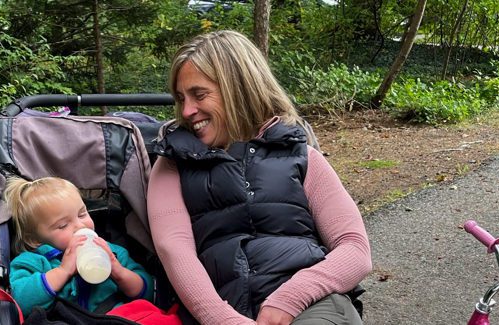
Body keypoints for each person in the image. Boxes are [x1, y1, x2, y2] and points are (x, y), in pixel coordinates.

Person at [147, 30, 372, 325]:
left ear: (238, 87)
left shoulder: (301, 155)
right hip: (220, 309)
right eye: (181, 98)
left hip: (311, 304)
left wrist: (290, 298)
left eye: (199, 95)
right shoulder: (172, 164)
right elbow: (175, 251)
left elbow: (355, 248)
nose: (187, 110)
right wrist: (224, 320)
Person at [5, 176, 179, 324]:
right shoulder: (32, 262)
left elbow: (149, 293)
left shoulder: (112, 252)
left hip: (119, 317)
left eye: (82, 214)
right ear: (34, 239)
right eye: (63, 225)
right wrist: (62, 271)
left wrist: (119, 272)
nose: (80, 225)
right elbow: (19, 301)